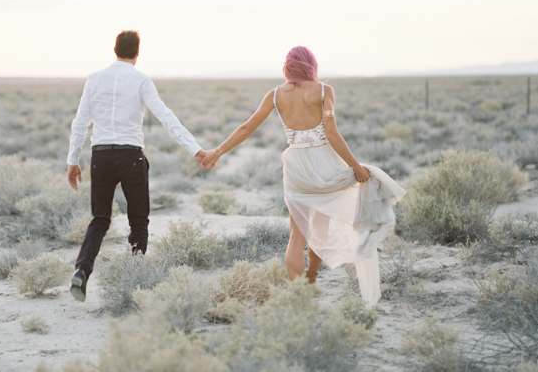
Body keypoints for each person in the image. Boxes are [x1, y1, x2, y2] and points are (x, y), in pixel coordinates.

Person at [203, 46, 405, 305]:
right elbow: (331, 134)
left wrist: (218, 152)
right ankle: (311, 276)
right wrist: (355, 166)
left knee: (297, 235)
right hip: (324, 165)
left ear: (287, 67)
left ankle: (299, 293)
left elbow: (247, 127)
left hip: (296, 166)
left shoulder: (275, 95)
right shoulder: (323, 91)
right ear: (311, 65)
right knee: (320, 228)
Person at [66, 30, 207, 302]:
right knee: (139, 221)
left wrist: (73, 160)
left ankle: (82, 270)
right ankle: (135, 281)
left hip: (101, 156)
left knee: (99, 219)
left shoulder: (94, 79)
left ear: (115, 49)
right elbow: (166, 117)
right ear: (137, 52)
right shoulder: (142, 80)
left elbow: (80, 122)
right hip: (131, 157)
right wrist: (195, 149)